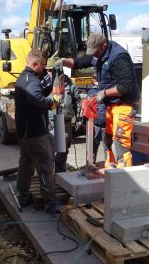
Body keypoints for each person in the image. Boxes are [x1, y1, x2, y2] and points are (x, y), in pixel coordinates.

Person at [55, 33, 140, 169]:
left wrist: (104, 93)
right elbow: (78, 63)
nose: (94, 55)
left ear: (104, 46)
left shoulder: (119, 57)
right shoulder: (97, 52)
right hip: (112, 105)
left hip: (125, 104)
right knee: (108, 139)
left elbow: (126, 86)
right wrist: (64, 61)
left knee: (120, 142)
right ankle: (111, 171)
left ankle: (125, 177)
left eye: (96, 52)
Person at [14, 50, 59, 213]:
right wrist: (53, 101)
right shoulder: (31, 81)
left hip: (24, 133)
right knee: (46, 167)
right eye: (42, 65)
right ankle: (50, 203)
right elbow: (37, 99)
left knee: (26, 164)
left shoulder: (22, 78)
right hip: (35, 134)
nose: (44, 67)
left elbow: (35, 96)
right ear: (34, 64)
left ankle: (23, 195)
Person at [49, 73, 81, 173]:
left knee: (62, 149)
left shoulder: (70, 84)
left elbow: (77, 102)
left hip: (64, 120)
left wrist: (78, 118)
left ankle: (60, 172)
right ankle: (51, 172)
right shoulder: (46, 83)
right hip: (52, 119)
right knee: (51, 149)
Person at [86, 74, 106, 164]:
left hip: (106, 121)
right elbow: (88, 106)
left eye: (99, 79)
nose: (97, 81)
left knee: (107, 146)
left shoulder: (106, 91)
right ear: (93, 80)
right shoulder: (91, 91)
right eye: (96, 79)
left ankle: (108, 164)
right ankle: (91, 164)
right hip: (95, 122)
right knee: (93, 144)